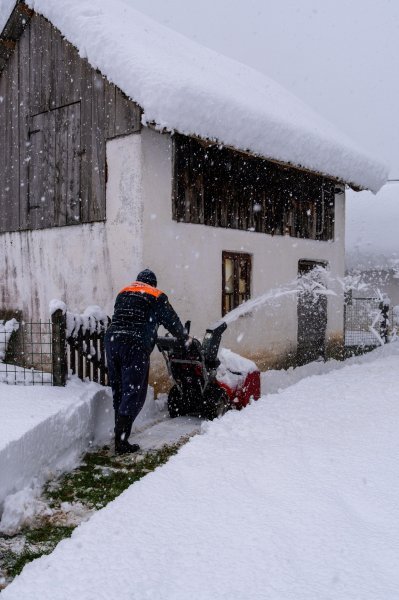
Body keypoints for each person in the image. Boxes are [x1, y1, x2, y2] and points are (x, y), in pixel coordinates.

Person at [105, 269, 187, 455]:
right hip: (134, 344)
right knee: (134, 393)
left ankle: (120, 436)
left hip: (112, 341)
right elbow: (171, 320)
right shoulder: (156, 296)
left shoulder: (124, 292)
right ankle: (122, 442)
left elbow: (125, 317)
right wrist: (183, 337)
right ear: (153, 284)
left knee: (119, 389)